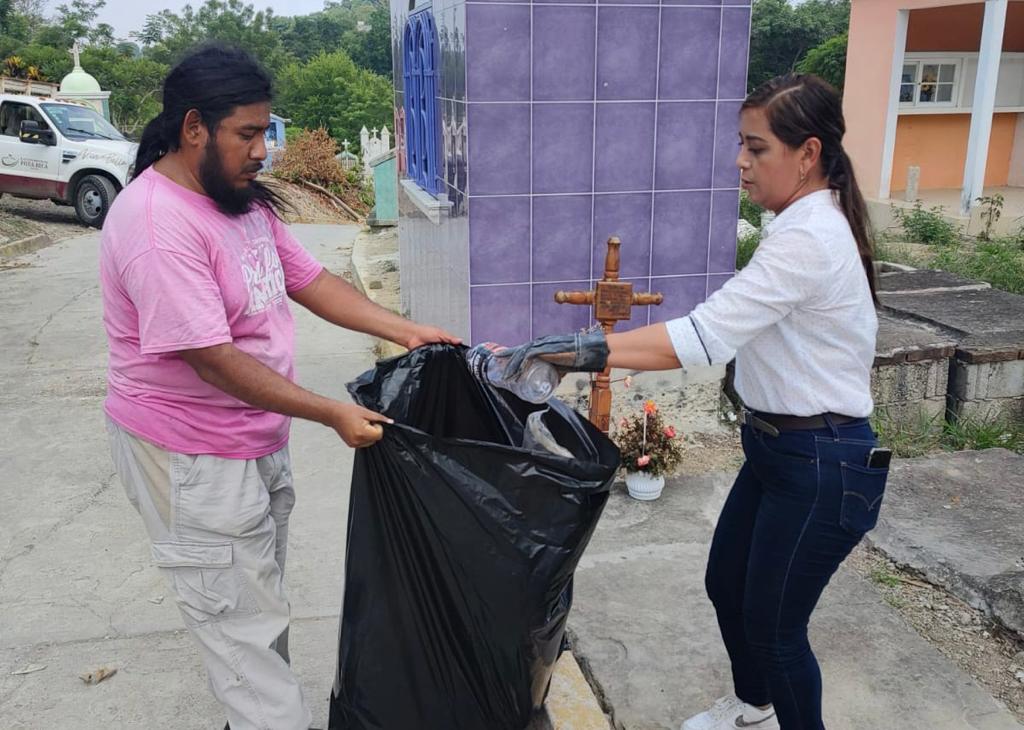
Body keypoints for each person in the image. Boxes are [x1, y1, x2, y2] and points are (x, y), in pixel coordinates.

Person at [99, 45, 458, 730]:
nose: (264, 149)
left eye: (267, 131)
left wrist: (406, 329)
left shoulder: (235, 202)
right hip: (193, 457)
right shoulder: (156, 224)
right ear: (194, 127)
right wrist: (330, 413)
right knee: (245, 643)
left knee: (253, 618)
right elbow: (211, 358)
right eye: (249, 133)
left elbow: (307, 279)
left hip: (250, 440)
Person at [521, 74, 887, 730]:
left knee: (779, 630)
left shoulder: (810, 238)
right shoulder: (802, 225)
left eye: (757, 148)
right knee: (728, 585)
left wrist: (577, 352)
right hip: (780, 451)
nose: (740, 162)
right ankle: (754, 708)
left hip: (822, 462)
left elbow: (703, 337)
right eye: (741, 146)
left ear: (807, 154)